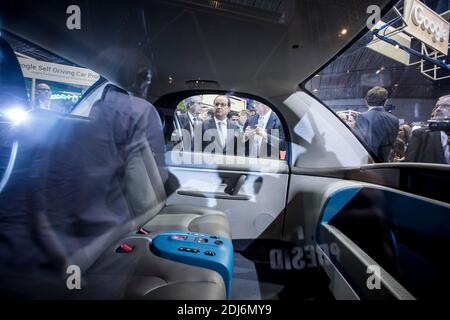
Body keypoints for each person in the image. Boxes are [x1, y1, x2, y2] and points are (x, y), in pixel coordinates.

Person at [355, 86, 399, 162]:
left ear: (366, 101)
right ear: (386, 101)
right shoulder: (394, 119)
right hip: (386, 162)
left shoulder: (362, 117)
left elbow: (360, 141)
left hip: (368, 162)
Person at [405, 95, 450, 164]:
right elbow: (409, 163)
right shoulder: (420, 134)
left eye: (445, 106)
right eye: (436, 107)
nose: (438, 109)